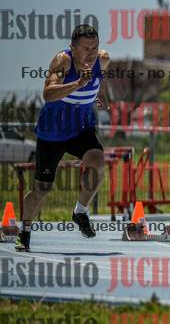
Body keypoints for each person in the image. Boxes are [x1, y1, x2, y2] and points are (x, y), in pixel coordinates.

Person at [17, 24, 110, 252]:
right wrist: (78, 84)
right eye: (86, 49)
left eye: (95, 47)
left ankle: (80, 211)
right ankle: (24, 231)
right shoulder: (63, 62)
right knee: (42, 189)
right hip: (53, 132)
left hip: (80, 129)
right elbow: (48, 94)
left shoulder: (102, 59)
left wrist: (101, 92)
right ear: (73, 48)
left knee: (98, 161)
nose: (91, 53)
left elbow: (101, 75)